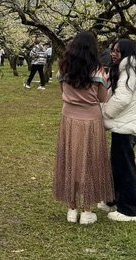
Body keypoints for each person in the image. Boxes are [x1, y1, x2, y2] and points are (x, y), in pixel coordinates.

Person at [53, 31, 114, 225]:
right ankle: (87, 210)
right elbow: (103, 98)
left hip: (69, 117)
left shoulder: (63, 68)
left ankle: (72, 208)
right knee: (90, 161)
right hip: (91, 120)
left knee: (70, 159)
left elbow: (63, 90)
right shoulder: (98, 70)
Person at [100, 39, 136, 222]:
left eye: (118, 51)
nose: (113, 54)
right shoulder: (130, 68)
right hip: (126, 124)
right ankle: (113, 200)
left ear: (127, 52)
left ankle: (129, 210)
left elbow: (122, 99)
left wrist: (105, 113)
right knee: (117, 166)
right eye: (113, 50)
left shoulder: (130, 70)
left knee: (125, 169)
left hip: (126, 126)